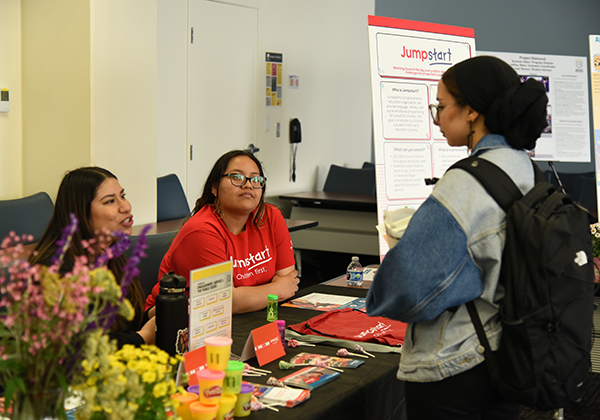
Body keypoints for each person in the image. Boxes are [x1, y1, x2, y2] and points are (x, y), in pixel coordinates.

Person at [366, 56, 548, 420]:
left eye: (441, 106)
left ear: (471, 112)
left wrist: (398, 255)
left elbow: (408, 286)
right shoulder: (525, 167)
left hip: (455, 364)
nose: (437, 118)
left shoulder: (466, 183)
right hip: (507, 352)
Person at [144, 150, 298, 314]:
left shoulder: (270, 216)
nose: (248, 185)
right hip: (179, 322)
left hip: (251, 315)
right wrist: (277, 290)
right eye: (236, 177)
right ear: (215, 187)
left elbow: (288, 281)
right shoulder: (202, 231)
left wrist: (261, 294)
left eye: (256, 179)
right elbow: (225, 302)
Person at [30, 167, 156, 348]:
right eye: (110, 201)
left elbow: (121, 323)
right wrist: (143, 337)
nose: (126, 206)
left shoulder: (111, 255)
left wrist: (153, 315)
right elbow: (78, 346)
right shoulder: (54, 271)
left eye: (123, 195)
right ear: (80, 213)